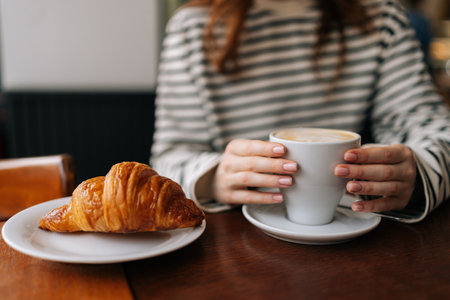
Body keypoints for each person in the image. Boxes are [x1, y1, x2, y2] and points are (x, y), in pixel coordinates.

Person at [151, 0, 450, 223]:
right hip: (234, 239)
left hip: (351, 228)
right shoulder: (191, 29)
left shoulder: (383, 18)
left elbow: (436, 130)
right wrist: (214, 180)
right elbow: (167, 160)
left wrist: (418, 170)